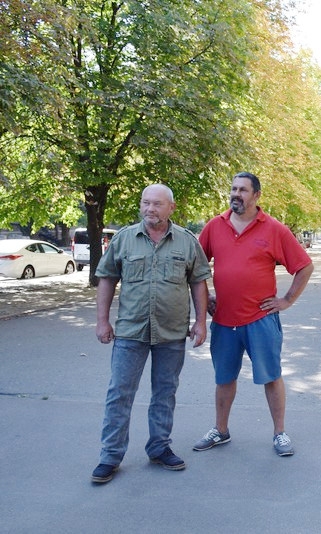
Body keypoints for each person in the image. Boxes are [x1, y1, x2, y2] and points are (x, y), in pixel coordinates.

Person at [91, 184, 210, 484]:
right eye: (145, 203)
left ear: (171, 207)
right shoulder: (124, 239)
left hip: (171, 332)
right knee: (119, 393)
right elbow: (106, 279)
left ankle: (159, 447)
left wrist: (201, 322)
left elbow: (198, 282)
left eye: (156, 204)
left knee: (165, 393)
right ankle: (110, 455)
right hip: (131, 332)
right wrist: (102, 321)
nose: (149, 209)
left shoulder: (186, 241)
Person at [193, 172, 313, 456]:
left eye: (243, 190)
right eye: (233, 189)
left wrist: (286, 300)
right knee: (224, 378)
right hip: (223, 320)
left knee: (271, 376)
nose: (236, 194)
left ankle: (279, 433)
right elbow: (195, 268)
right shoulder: (214, 226)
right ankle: (220, 430)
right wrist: (206, 297)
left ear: (256, 195)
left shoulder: (273, 229)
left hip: (260, 320)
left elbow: (304, 267)